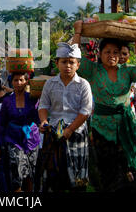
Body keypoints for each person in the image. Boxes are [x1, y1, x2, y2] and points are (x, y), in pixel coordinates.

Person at [71, 20, 136, 191]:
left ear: (120, 54)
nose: (112, 55)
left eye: (116, 52)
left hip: (126, 125)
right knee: (107, 169)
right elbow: (74, 57)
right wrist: (78, 33)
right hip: (102, 127)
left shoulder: (128, 71)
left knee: (130, 167)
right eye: (107, 52)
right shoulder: (93, 70)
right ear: (100, 53)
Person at [37, 43, 93, 192]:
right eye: (64, 61)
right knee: (55, 178)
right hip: (55, 133)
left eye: (71, 62)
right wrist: (43, 121)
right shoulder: (49, 84)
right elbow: (43, 106)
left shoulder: (83, 85)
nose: (67, 65)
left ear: (78, 65)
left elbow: (85, 111)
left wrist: (70, 129)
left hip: (77, 134)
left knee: (78, 179)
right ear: (57, 63)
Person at [0, 73, 41, 192]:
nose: (19, 83)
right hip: (13, 139)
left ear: (26, 82)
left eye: (21, 80)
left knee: (30, 173)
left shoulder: (33, 98)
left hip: (31, 139)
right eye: (16, 80)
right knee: (16, 171)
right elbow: (1, 124)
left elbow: (38, 118)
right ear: (12, 82)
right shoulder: (7, 101)